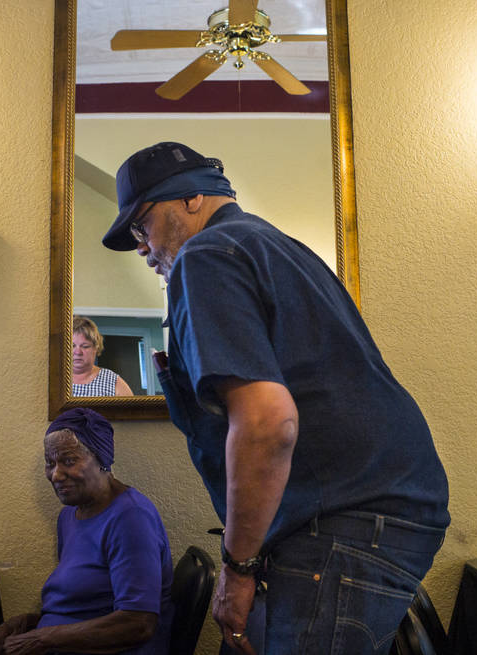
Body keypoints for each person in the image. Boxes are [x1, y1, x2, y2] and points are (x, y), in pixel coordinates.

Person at [101, 141, 450, 654]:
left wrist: (238, 568)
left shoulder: (206, 255)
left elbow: (268, 423)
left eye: (141, 225)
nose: (141, 247)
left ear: (192, 199)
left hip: (344, 521)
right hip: (379, 512)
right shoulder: (276, 245)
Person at [0, 408, 173, 655]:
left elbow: (138, 623)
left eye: (69, 461)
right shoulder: (69, 515)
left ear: (102, 459)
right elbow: (81, 607)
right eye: (50, 463)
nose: (56, 475)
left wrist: (41, 639)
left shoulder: (131, 518)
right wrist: (26, 623)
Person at [72, 315, 133, 397]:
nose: (78, 352)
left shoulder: (113, 381)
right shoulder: (52, 378)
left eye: (85, 346)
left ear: (96, 348)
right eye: (72, 346)